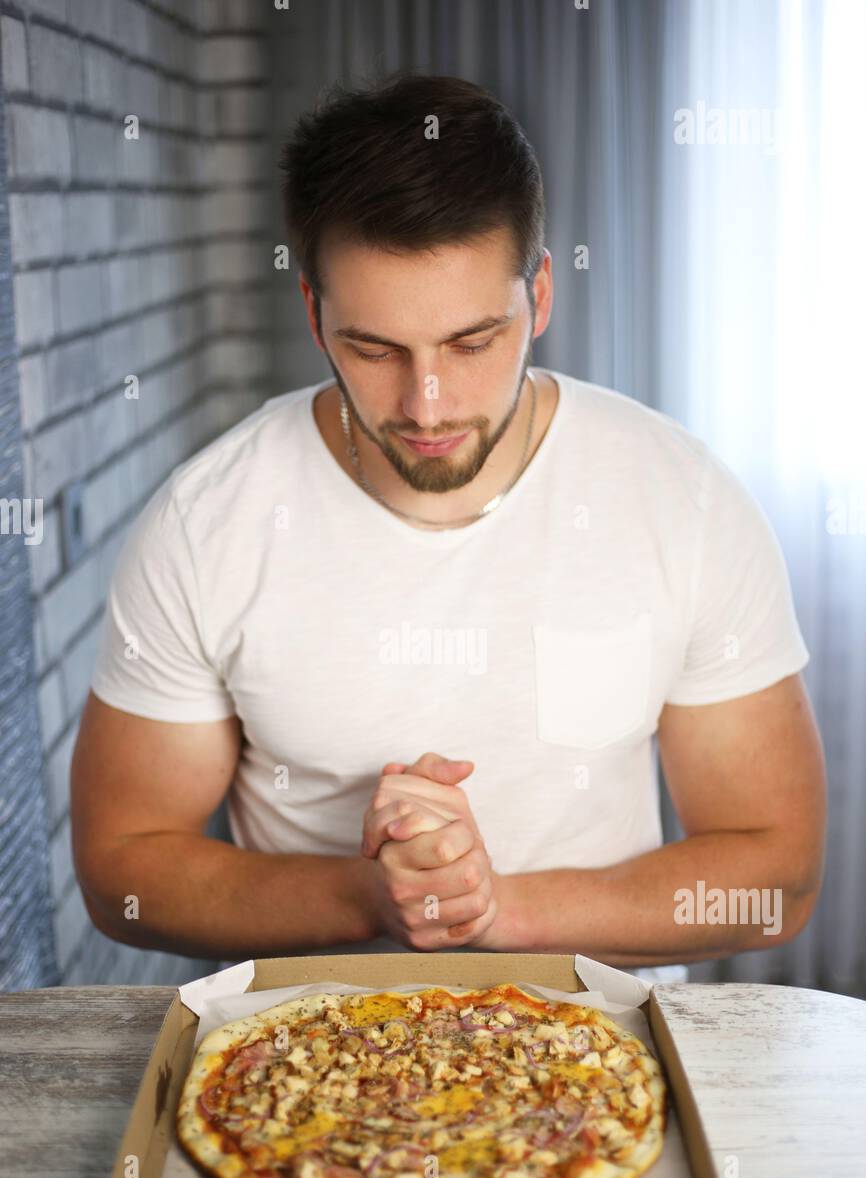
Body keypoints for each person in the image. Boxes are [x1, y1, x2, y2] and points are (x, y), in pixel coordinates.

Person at [71, 74, 826, 980]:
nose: (427, 405)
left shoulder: (684, 499)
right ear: (313, 314)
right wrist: (367, 899)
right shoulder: (206, 522)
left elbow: (777, 877)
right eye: (376, 348)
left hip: (594, 1067)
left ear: (539, 297)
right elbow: (120, 869)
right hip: (303, 1071)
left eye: (472, 343)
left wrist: (497, 908)